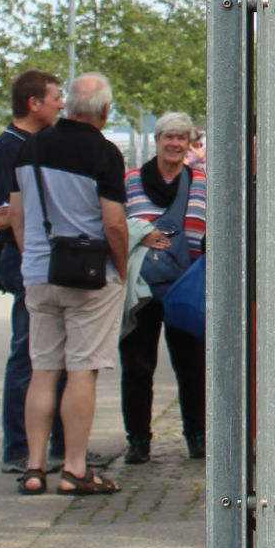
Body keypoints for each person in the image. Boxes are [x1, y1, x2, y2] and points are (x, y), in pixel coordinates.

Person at [9, 72, 126, 496]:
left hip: (39, 273)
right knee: (81, 371)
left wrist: (32, 258)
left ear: (70, 105)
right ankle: (75, 469)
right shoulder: (105, 153)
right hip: (89, 277)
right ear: (105, 111)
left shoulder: (31, 148)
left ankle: (34, 467)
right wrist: (121, 269)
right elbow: (113, 223)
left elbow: (17, 213)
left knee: (43, 370)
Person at [0, 69, 66, 472]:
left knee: (60, 354)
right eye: (55, 98)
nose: (61, 104)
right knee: (28, 352)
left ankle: (63, 446)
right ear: (34, 104)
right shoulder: (8, 148)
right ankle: (18, 448)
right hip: (22, 260)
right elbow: (2, 215)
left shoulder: (42, 145)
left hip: (46, 260)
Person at [119, 111, 206, 463]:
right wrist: (141, 233)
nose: (175, 143)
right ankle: (138, 440)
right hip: (141, 288)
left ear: (189, 144)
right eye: (168, 137)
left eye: (181, 138)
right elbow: (115, 222)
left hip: (186, 287)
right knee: (138, 367)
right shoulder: (131, 180)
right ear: (156, 140)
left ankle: (197, 436)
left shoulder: (200, 181)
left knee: (193, 367)